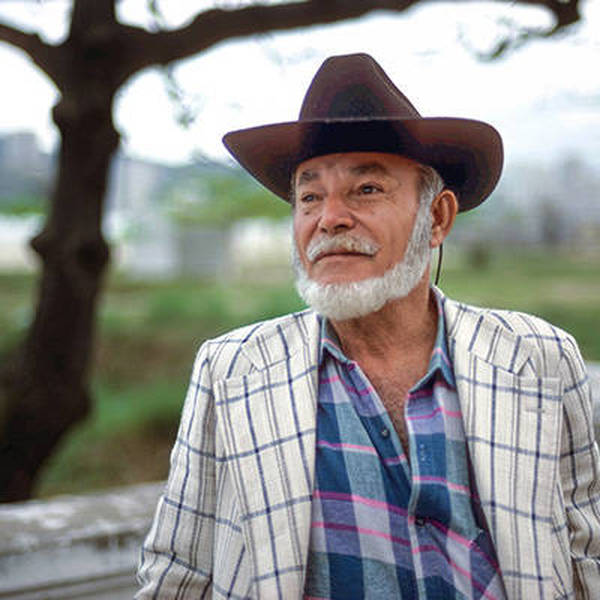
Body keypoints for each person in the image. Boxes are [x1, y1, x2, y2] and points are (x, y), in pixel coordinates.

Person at [136, 53, 600, 599]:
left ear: (437, 218)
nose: (328, 218)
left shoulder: (540, 358)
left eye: (366, 190)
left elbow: (586, 559)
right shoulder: (233, 371)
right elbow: (179, 574)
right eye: (309, 197)